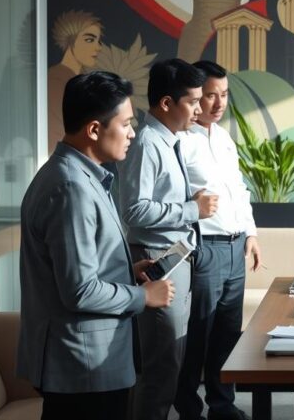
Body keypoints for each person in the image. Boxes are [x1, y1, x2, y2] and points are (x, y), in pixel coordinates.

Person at [17, 71, 174, 420]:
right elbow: (79, 291)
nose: (133, 133)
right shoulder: (71, 188)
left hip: (88, 365)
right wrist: (143, 297)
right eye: (126, 124)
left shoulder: (78, 176)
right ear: (93, 130)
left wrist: (123, 272)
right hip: (83, 369)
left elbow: (76, 268)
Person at [118, 58, 218, 420]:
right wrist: (192, 210)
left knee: (169, 362)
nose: (200, 108)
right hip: (156, 259)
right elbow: (133, 211)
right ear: (166, 103)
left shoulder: (170, 141)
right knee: (160, 367)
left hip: (176, 258)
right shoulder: (147, 143)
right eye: (192, 101)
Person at [175, 61, 261, 420]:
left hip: (235, 245)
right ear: (195, 96)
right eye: (210, 95)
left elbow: (239, 191)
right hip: (204, 247)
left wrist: (252, 233)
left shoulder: (223, 138)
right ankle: (188, 409)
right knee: (198, 333)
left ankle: (222, 405)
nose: (218, 103)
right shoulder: (179, 139)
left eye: (223, 95)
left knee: (227, 332)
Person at [47, 10, 104, 152]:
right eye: (89, 40)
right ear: (69, 41)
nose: (98, 47)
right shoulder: (56, 81)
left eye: (99, 41)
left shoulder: (79, 81)